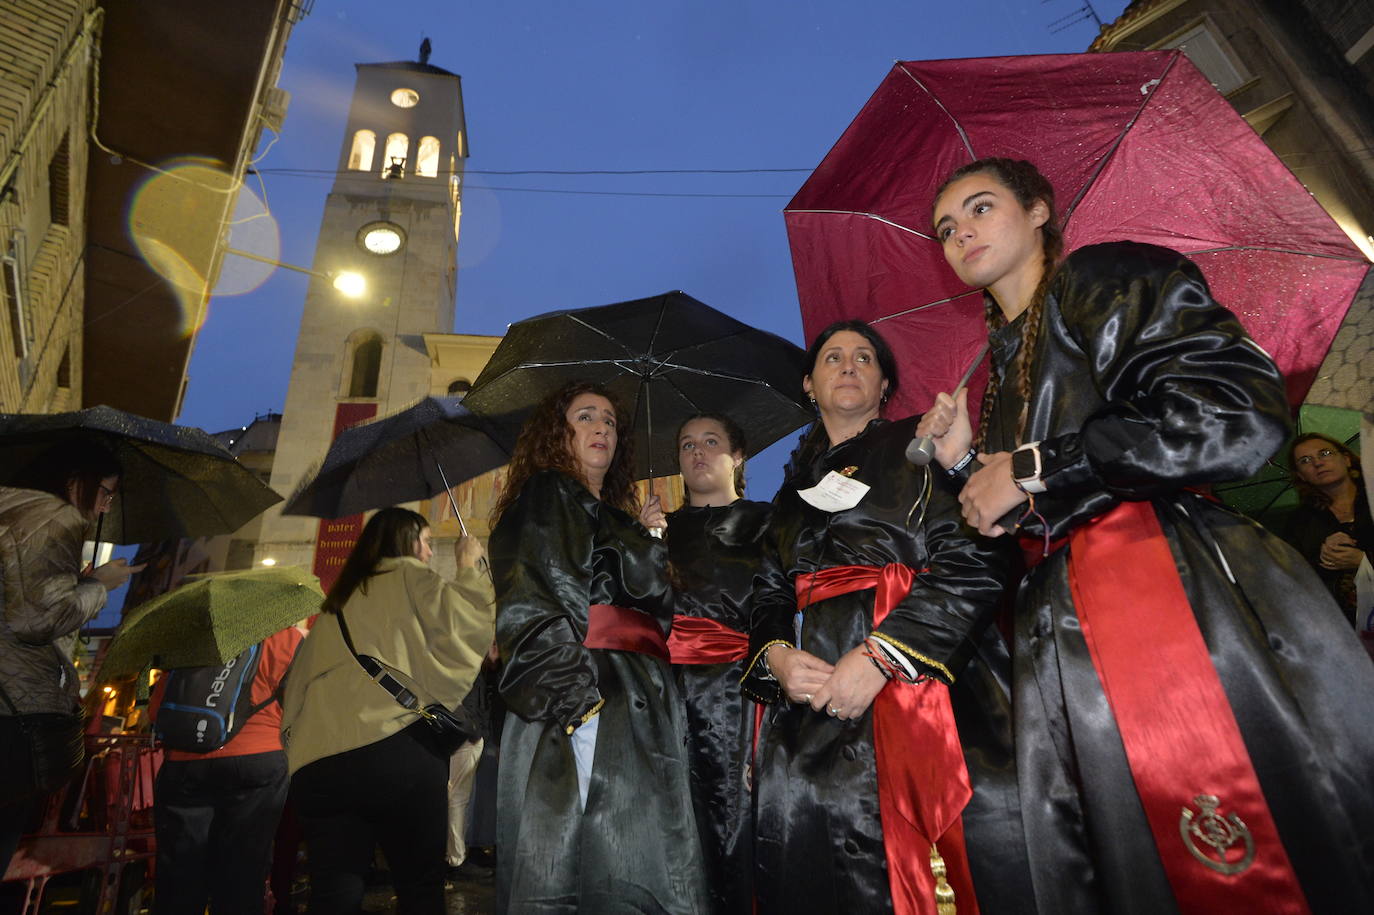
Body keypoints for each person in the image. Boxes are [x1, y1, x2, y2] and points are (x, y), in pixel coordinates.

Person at [920, 156, 1374, 913]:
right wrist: (965, 460)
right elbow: (1019, 516)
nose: (960, 233)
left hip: (1174, 597)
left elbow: (1236, 412)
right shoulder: (996, 375)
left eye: (978, 207)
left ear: (1039, 209)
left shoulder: (1105, 279)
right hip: (1062, 639)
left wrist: (1032, 464)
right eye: (944, 229)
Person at [741, 321, 1029, 915]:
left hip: (926, 693)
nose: (848, 365)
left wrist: (882, 656)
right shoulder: (788, 498)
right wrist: (775, 656)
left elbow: (979, 556)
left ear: (884, 386)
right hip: (811, 718)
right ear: (809, 384)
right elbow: (767, 595)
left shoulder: (919, 451)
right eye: (833, 357)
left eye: (864, 357)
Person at [488, 380, 709, 914]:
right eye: (585, 417)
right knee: (599, 858)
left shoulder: (608, 514)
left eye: (610, 422)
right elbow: (533, 599)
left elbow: (650, 611)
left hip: (638, 700)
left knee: (638, 858)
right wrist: (578, 706)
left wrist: (646, 540)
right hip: (590, 696)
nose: (602, 428)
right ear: (556, 434)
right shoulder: (549, 491)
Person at [279, 508, 494, 914]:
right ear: (406, 542)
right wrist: (470, 566)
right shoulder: (409, 576)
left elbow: (294, 692)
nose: (430, 554)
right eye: (428, 542)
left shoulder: (334, 607)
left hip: (319, 767)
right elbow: (466, 624)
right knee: (419, 889)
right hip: (396, 752)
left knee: (334, 894)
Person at [640, 412, 770, 914]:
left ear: (737, 457)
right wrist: (644, 545)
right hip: (665, 694)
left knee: (737, 824)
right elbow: (642, 612)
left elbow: (780, 608)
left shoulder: (766, 521)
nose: (696, 452)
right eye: (687, 443)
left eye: (710, 442)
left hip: (741, 693)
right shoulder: (659, 528)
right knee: (672, 825)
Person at [0, 441, 141, 875]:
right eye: (105, 493)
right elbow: (37, 619)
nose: (103, 508)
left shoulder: (13, 509)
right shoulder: (54, 517)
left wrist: (76, 583)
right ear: (76, 481)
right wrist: (101, 585)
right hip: (13, 706)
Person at [151, 622, 305, 915]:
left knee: (179, 873)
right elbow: (300, 702)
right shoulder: (286, 638)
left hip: (185, 763)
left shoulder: (195, 639)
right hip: (258, 760)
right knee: (243, 870)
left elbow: (156, 708)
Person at [1283, 432, 1373, 625]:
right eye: (1305, 460)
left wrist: (1364, 561)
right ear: (1301, 475)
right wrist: (1322, 558)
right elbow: (1294, 579)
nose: (1317, 463)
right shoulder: (1299, 522)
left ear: (1347, 459)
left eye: (1324, 453)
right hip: (1345, 627)